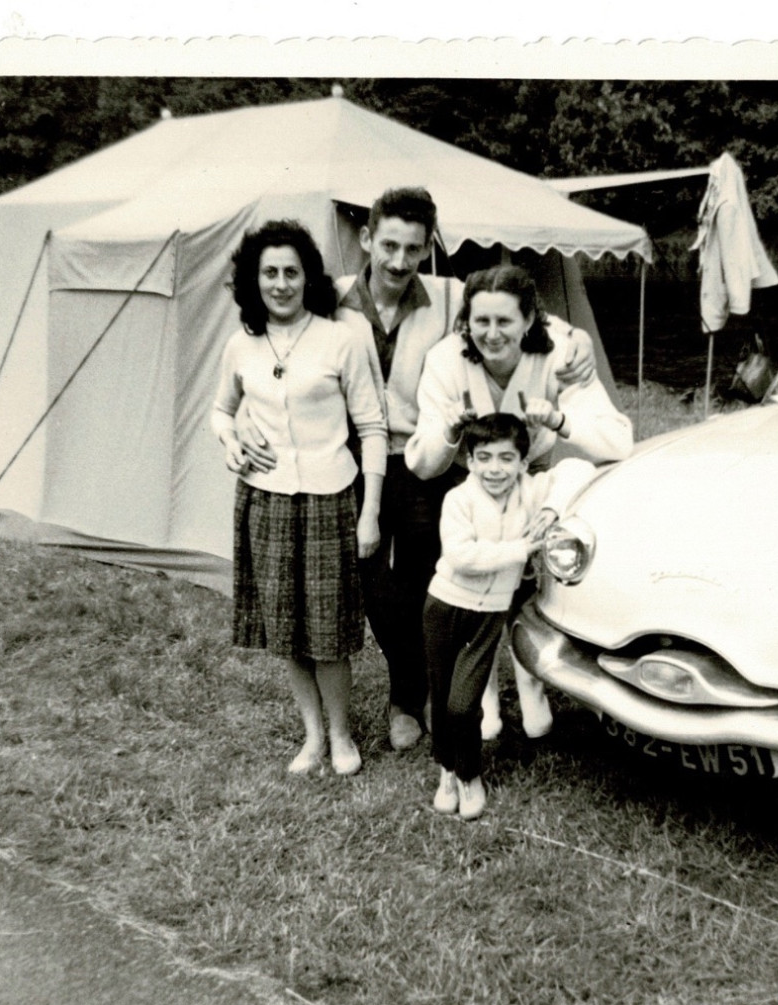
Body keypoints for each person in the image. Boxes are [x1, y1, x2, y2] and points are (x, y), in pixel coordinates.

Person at [232, 188, 600, 753]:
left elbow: (515, 310)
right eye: (388, 246)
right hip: (349, 459)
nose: (399, 262)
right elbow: (268, 351)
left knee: (434, 582)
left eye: (412, 248)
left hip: (426, 461)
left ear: (429, 247)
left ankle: (430, 694)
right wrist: (241, 426)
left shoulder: (451, 296)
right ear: (365, 240)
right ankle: (406, 695)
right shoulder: (329, 300)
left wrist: (573, 345)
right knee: (374, 586)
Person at [407, 264, 633, 740]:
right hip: (465, 482)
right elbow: (423, 464)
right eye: (480, 321)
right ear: (465, 321)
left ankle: (531, 684)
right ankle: (485, 693)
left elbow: (616, 441)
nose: (492, 334)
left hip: (529, 479)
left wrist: (559, 418)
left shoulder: (561, 351)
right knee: (473, 584)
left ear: (530, 319)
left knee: (527, 586)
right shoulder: (447, 361)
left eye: (505, 321)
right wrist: (448, 429)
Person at [210, 220, 386, 777]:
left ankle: (341, 735)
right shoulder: (240, 344)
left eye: (291, 272)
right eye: (269, 273)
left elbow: (374, 427)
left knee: (329, 631)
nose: (280, 284)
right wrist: (232, 441)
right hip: (265, 501)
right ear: (253, 280)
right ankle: (311, 737)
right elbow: (219, 411)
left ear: (308, 277)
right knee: (285, 630)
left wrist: (370, 512)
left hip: (331, 498)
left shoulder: (341, 338)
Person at [423, 414, 596, 819]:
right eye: (483, 458)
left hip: (487, 616)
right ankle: (447, 769)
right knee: (443, 696)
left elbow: (579, 468)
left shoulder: (531, 492)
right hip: (444, 606)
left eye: (506, 458)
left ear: (523, 462)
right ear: (469, 461)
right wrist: (521, 549)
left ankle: (469, 777)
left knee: (463, 706)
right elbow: (460, 556)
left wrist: (551, 509)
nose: (494, 469)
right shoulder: (458, 500)